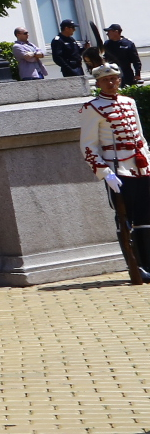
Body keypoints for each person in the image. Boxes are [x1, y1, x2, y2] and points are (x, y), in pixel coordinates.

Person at [78, 62, 149, 282]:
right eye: (105, 80)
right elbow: (88, 145)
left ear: (119, 80)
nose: (110, 83)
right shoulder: (92, 107)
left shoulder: (129, 102)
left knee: (146, 218)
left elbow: (140, 135)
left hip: (140, 166)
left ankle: (148, 263)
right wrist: (105, 173)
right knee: (124, 218)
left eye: (114, 79)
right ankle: (135, 265)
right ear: (98, 83)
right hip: (118, 170)